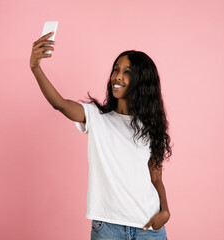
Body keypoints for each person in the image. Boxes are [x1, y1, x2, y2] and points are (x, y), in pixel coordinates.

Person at [30, 32, 172, 240]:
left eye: (127, 72)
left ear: (142, 81)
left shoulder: (151, 127)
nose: (118, 76)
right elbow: (59, 104)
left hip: (149, 228)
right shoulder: (96, 117)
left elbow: (156, 177)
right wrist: (36, 68)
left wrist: (165, 211)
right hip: (108, 229)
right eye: (116, 70)